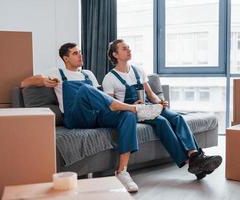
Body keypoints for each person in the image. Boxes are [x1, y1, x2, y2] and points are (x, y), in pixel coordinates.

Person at [21, 42, 163, 193]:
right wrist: (42, 81)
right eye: (75, 53)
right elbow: (25, 82)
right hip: (75, 117)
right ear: (66, 58)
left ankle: (122, 171)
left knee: (127, 116)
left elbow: (99, 98)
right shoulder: (56, 72)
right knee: (85, 89)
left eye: (80, 52)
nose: (80, 55)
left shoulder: (88, 74)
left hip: (95, 115)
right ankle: (133, 108)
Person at [102, 39, 222, 181]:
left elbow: (151, 94)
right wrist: (133, 105)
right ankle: (194, 163)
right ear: (115, 54)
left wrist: (160, 102)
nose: (129, 50)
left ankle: (194, 155)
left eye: (129, 48)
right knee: (162, 122)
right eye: (124, 49)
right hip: (133, 110)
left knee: (177, 117)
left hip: (148, 105)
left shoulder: (138, 70)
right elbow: (112, 105)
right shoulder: (109, 78)